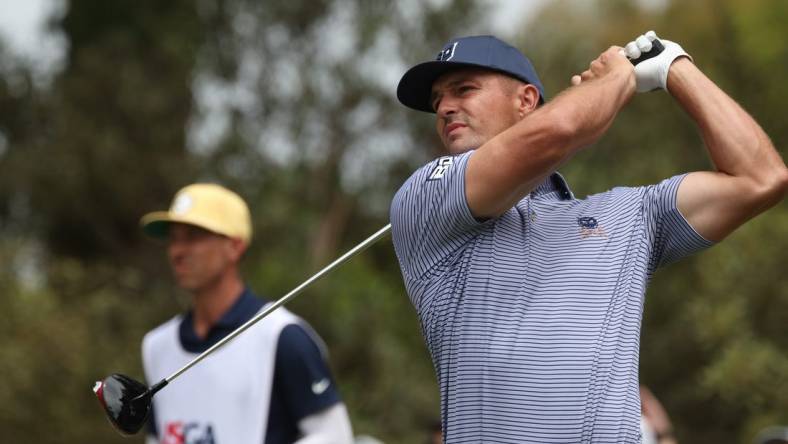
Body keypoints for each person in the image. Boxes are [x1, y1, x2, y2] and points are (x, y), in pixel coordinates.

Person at [390, 32, 787, 443]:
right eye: (437, 100)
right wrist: (615, 80)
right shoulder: (426, 197)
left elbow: (761, 178)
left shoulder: (630, 215)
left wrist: (675, 68)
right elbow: (559, 130)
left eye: (463, 89)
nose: (445, 108)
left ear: (525, 101)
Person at [139, 183, 354, 444]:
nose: (177, 252)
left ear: (235, 246)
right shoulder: (156, 345)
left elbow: (335, 435)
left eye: (193, 236)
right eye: (173, 239)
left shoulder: (283, 336)